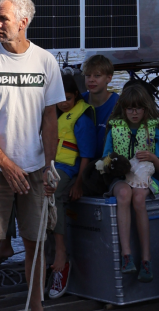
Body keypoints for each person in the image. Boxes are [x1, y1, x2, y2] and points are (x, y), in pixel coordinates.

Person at [0, 0, 65, 311]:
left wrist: (50, 166)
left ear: (23, 22)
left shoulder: (46, 62)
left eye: (2, 18)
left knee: (36, 244)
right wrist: (4, 162)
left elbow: (51, 120)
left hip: (35, 168)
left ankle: (35, 307)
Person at [102, 84, 159, 283]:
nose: (134, 112)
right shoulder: (115, 130)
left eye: (138, 108)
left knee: (139, 198)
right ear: (123, 109)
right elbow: (103, 163)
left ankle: (146, 260)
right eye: (130, 108)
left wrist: (153, 158)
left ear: (146, 109)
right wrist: (114, 164)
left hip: (146, 178)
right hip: (121, 179)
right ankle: (127, 256)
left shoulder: (153, 131)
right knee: (124, 194)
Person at [48, 74, 97, 299]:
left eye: (67, 98)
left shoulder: (82, 118)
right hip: (52, 166)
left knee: (54, 195)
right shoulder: (56, 113)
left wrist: (78, 184)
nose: (63, 103)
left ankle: (61, 256)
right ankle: (41, 260)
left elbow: (86, 155)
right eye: (60, 99)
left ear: (76, 95)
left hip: (70, 170)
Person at [78, 55, 119, 196]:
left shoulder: (118, 104)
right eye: (88, 75)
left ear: (109, 78)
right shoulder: (78, 101)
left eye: (97, 75)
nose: (91, 79)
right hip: (80, 163)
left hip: (106, 165)